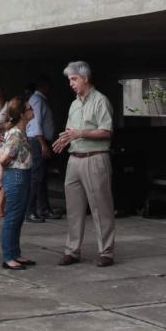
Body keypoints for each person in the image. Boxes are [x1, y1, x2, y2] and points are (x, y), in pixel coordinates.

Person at [54, 61, 116, 266]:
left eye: (74, 79)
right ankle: (72, 250)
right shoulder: (74, 104)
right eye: (69, 80)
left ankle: (106, 251)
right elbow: (70, 131)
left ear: (85, 78)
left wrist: (81, 133)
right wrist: (63, 140)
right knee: (73, 208)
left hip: (95, 158)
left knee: (101, 207)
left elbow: (106, 131)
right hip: (74, 159)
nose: (71, 83)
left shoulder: (100, 101)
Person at [0, 97, 37, 270]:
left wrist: (0, 174)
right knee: (12, 218)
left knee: (17, 217)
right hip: (17, 176)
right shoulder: (16, 135)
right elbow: (4, 158)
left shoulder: (17, 132)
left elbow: (1, 156)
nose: (32, 110)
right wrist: (2, 172)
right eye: (29, 108)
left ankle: (15, 253)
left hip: (20, 175)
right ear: (22, 114)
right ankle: (8, 257)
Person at [26, 77, 57, 222]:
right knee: (37, 177)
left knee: (42, 177)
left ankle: (44, 209)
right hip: (38, 141)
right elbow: (36, 123)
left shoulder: (39, 99)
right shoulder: (37, 100)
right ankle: (30, 210)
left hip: (40, 141)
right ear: (44, 86)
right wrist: (43, 144)